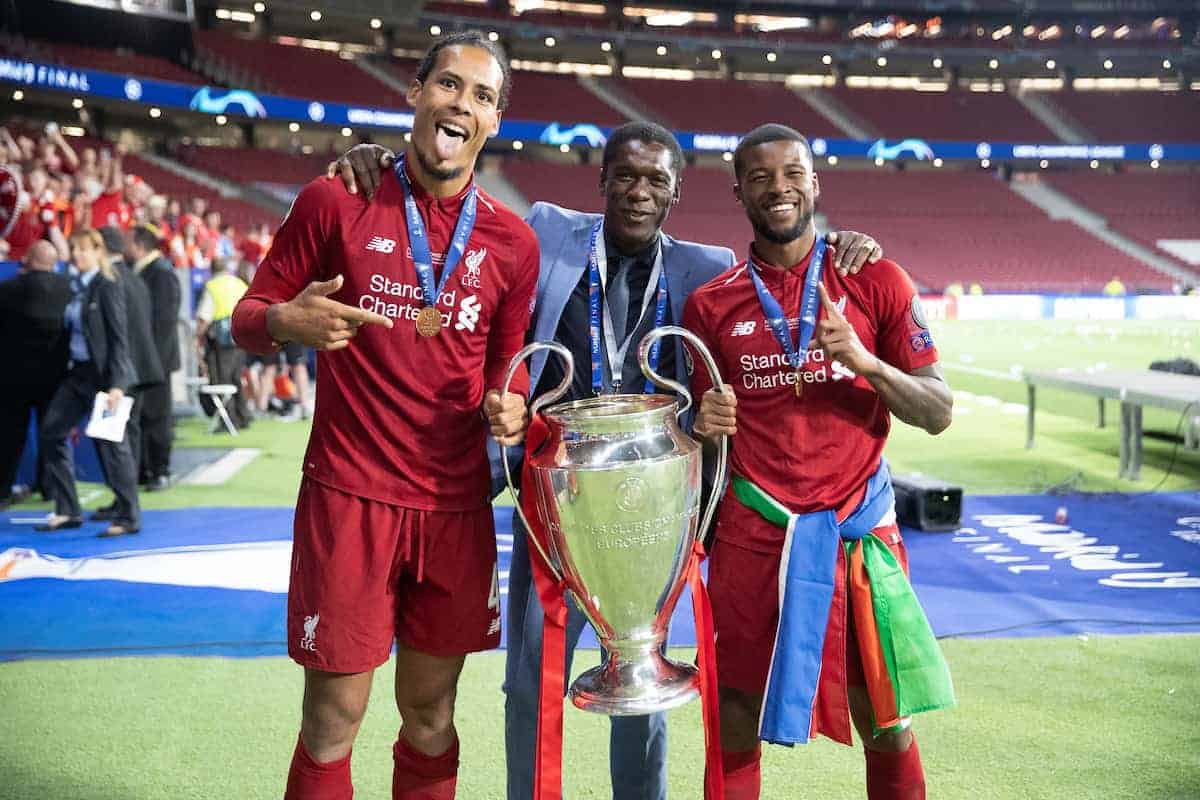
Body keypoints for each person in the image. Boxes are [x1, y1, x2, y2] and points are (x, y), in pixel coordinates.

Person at [334, 121, 885, 798]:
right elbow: (454, 212)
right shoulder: (545, 229)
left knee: (644, 674)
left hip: (653, 504)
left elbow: (787, 251)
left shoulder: (705, 267)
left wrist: (843, 245)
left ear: (676, 192)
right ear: (601, 181)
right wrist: (387, 168)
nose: (638, 192)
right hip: (558, 496)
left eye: (656, 180)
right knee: (531, 678)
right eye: (625, 176)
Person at [230, 31, 538, 800]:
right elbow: (247, 313)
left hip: (455, 507)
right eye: (449, 85)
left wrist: (515, 409)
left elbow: (509, 370)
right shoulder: (336, 199)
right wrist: (286, 324)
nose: (460, 104)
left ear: (496, 119)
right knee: (334, 717)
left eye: (481, 96)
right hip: (349, 496)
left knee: (431, 713)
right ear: (416, 92)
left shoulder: (514, 241)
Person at [683, 125, 955, 800]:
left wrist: (862, 361)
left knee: (886, 714)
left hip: (859, 536)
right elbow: (700, 440)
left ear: (815, 181)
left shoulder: (874, 279)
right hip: (754, 534)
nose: (779, 187)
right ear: (739, 190)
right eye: (761, 176)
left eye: (793, 173)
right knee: (735, 711)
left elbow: (938, 411)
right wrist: (702, 425)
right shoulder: (710, 305)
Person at [37, 227, 141, 537]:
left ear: (98, 252)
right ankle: (68, 509)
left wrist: (117, 385)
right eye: (75, 249)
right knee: (51, 431)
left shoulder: (107, 286)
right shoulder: (75, 286)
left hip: (106, 378)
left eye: (85, 249)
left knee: (112, 445)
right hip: (78, 375)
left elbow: (119, 338)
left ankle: (128, 515)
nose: (79, 255)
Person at [0, 240, 72, 509]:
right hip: (54, 377)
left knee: (8, 436)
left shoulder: (7, 289)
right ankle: (50, 487)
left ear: (28, 258)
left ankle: (3, 490)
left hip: (12, 377)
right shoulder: (68, 289)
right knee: (51, 433)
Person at [126, 224, 182, 489]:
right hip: (144, 360)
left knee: (158, 416)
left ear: (139, 245)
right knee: (144, 416)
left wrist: (152, 362)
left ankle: (160, 469)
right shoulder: (145, 270)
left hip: (156, 361)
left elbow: (164, 322)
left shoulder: (161, 272)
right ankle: (145, 468)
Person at [196, 258, 252, 431]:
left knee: (221, 379)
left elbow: (205, 315)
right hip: (241, 336)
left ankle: (228, 421)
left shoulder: (212, 286)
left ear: (211, 270)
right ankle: (243, 416)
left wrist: (197, 336)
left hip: (221, 340)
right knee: (237, 378)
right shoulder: (239, 283)